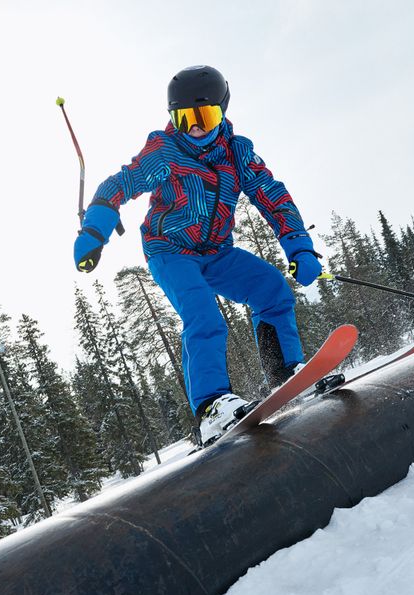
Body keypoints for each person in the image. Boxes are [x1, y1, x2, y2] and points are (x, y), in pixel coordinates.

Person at [73, 65, 323, 445]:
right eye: (184, 118)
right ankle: (211, 406)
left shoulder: (237, 153)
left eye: (204, 117)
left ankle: (285, 371)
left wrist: (298, 246)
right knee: (202, 313)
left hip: (217, 252)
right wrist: (96, 227)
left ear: (222, 113)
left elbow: (273, 196)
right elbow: (121, 183)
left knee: (272, 289)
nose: (195, 128)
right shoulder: (165, 150)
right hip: (170, 251)